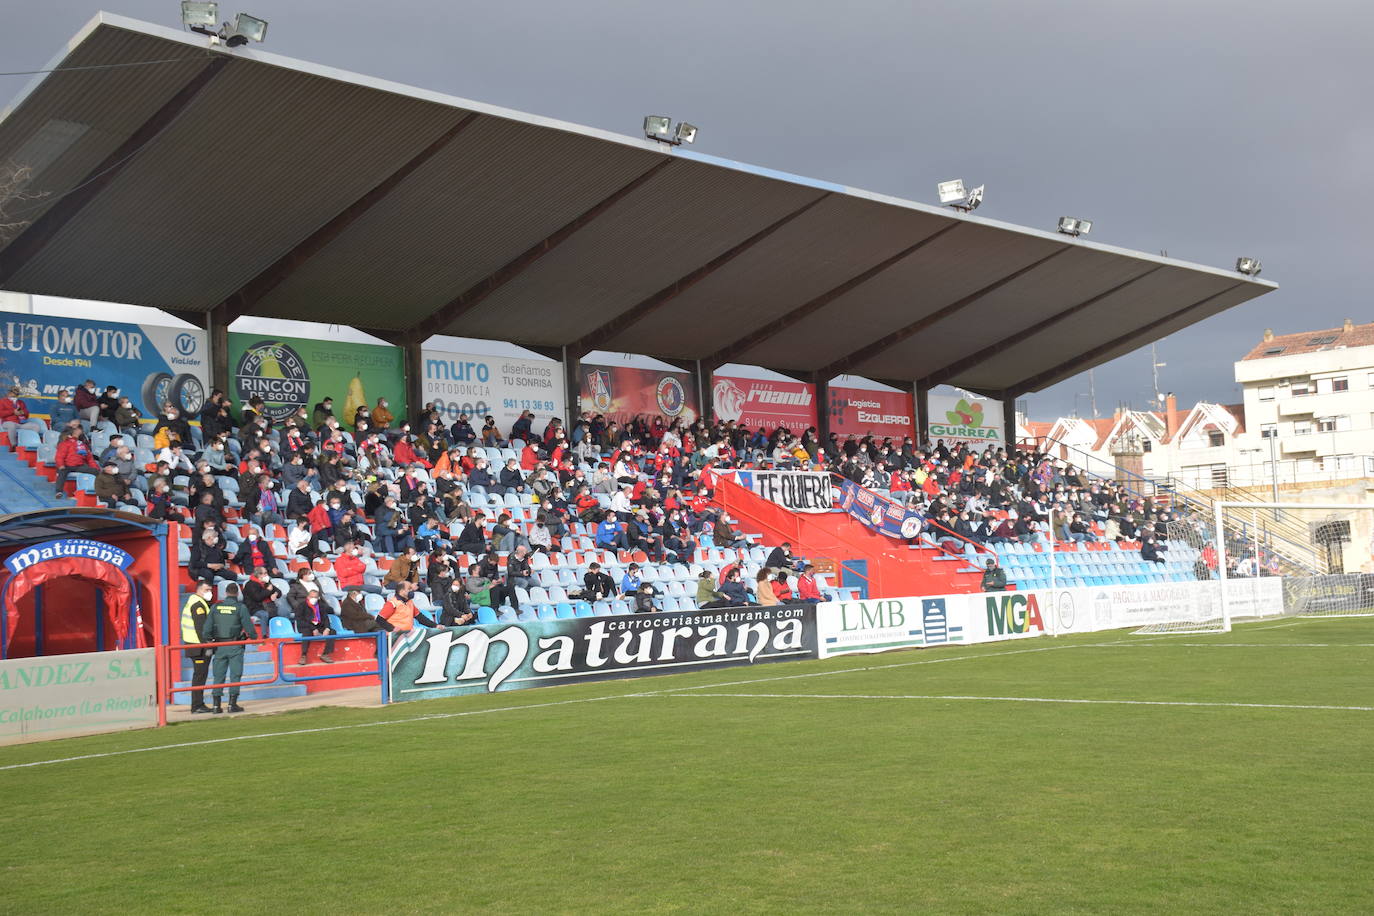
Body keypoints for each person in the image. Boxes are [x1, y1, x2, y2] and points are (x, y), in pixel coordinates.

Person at [200, 583, 258, 714]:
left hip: (219, 646)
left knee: (218, 675)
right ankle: (232, 704)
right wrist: (255, 639)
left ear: (225, 593)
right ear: (237, 593)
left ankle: (216, 705)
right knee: (235, 674)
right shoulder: (240, 608)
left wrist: (210, 639)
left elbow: (207, 629)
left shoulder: (216, 607)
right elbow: (249, 627)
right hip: (235, 645)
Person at [180, 581, 215, 714]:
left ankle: (199, 704)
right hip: (198, 647)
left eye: (210, 589)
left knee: (200, 675)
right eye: (207, 590)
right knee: (199, 676)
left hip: (196, 645)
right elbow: (201, 628)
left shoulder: (197, 602)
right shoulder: (197, 605)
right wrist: (208, 645)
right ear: (199, 590)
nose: (209, 592)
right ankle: (197, 705)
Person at [293, 587, 337, 665]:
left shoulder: (321, 606)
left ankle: (325, 654)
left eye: (315, 597)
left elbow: (325, 618)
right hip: (306, 625)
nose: (314, 599)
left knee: (332, 632)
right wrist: (313, 628)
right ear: (308, 597)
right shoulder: (301, 606)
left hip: (319, 625)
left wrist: (327, 628)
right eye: (312, 597)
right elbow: (300, 620)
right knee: (306, 633)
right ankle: (303, 655)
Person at [242, 567, 282, 636]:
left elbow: (278, 591)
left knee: (282, 611)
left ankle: (277, 633)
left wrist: (275, 594)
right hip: (254, 607)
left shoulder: (267, 582)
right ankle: (264, 635)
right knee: (264, 614)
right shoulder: (250, 584)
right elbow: (257, 597)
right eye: (265, 573)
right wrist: (268, 591)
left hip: (268, 606)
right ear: (259, 575)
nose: (267, 575)